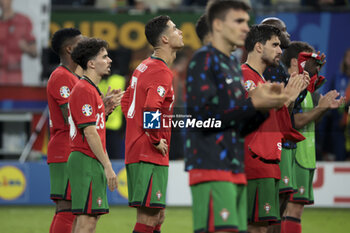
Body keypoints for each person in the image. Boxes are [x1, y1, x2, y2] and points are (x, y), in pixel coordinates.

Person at [185, 1, 290, 233]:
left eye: (246, 21)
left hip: (235, 168)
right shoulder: (204, 60)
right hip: (211, 166)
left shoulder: (230, 66)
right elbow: (201, 121)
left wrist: (264, 108)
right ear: (219, 25)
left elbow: (238, 127)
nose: (245, 28)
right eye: (239, 21)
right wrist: (253, 103)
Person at [121, 15, 184, 233]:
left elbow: (126, 100)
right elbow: (151, 108)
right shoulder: (160, 70)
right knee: (149, 217)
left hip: (141, 148)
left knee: (158, 214)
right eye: (175, 29)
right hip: (148, 151)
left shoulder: (144, 66)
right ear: (165, 39)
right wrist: (155, 139)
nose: (180, 32)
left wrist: (135, 126)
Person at [242, 24, 307, 233]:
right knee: (253, 228)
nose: (281, 50)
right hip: (252, 164)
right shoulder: (244, 77)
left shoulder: (260, 79)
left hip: (267, 164)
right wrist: (285, 98)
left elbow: (274, 126)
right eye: (275, 45)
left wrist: (288, 100)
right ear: (259, 47)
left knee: (260, 228)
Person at [280, 41, 344, 233]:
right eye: (309, 59)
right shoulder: (292, 86)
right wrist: (320, 107)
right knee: (290, 208)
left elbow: (310, 122)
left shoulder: (307, 89)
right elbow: (296, 121)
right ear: (295, 61)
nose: (315, 64)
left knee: (295, 210)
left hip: (306, 156)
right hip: (294, 155)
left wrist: (323, 109)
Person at [67, 38, 120, 233]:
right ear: (91, 63)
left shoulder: (91, 90)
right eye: (104, 57)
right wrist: (108, 166)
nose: (110, 60)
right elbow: (89, 133)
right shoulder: (83, 90)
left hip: (89, 160)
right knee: (87, 222)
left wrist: (103, 111)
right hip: (86, 159)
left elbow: (92, 127)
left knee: (87, 221)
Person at [47, 28, 83, 233]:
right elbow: (72, 116)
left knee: (70, 209)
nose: (87, 46)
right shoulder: (62, 77)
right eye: (82, 42)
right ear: (70, 49)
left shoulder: (73, 77)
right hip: (64, 150)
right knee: (66, 208)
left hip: (70, 149)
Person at [0, 0, 37, 84]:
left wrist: (26, 48)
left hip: (15, 78)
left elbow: (34, 52)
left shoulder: (23, 21)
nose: (2, 2)